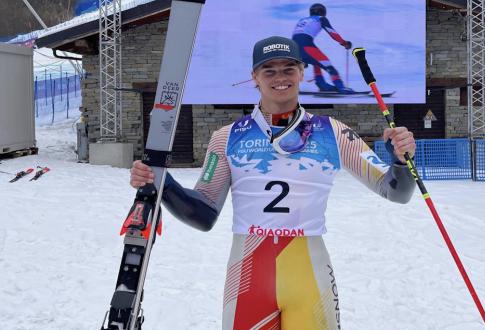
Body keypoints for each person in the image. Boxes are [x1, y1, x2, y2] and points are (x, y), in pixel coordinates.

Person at [130, 36, 416, 330]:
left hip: (309, 274)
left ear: (302, 72)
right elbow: (203, 214)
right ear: (254, 76)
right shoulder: (226, 137)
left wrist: (400, 161)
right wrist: (162, 182)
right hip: (248, 278)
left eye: (289, 68)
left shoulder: (332, 132)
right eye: (269, 70)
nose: (280, 77)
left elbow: (396, 192)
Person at [292, 3, 353, 93]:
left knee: (316, 62)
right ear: (323, 12)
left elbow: (297, 35)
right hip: (307, 46)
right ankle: (341, 87)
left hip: (294, 48)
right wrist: (344, 43)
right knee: (328, 66)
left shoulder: (302, 20)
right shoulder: (321, 18)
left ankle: (321, 84)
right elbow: (332, 33)